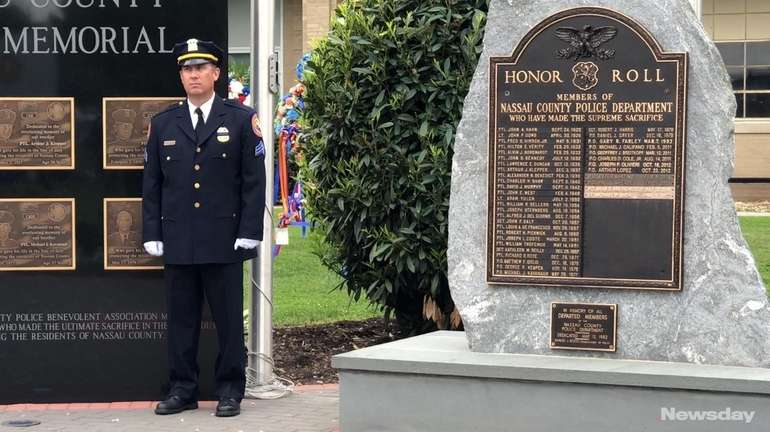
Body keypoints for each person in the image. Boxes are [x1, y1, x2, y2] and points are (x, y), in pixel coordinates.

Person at [141, 38, 266, 418]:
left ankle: (230, 390)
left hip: (223, 239)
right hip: (178, 238)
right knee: (181, 320)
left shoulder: (242, 120)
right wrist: (152, 232)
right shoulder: (163, 123)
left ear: (216, 73)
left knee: (228, 320)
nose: (193, 75)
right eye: (186, 69)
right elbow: (152, 184)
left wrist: (249, 231)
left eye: (200, 68)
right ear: (181, 76)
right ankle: (183, 388)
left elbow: (253, 182)